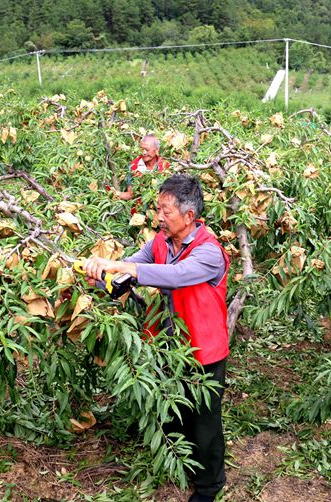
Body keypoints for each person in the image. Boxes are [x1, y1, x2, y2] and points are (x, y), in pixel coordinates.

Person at [85, 174, 229, 502]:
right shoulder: (159, 243)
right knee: (174, 411)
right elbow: (129, 269)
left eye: (166, 211)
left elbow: (176, 276)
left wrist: (121, 267)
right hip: (167, 346)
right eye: (157, 209)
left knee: (204, 421)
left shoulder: (210, 252)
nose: (158, 217)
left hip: (203, 349)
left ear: (189, 216)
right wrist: (101, 276)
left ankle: (210, 485)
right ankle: (183, 465)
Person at [114, 133, 170, 202]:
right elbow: (130, 194)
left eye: (147, 150)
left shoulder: (165, 166)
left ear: (157, 150)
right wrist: (115, 193)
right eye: (141, 149)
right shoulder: (133, 167)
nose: (144, 152)